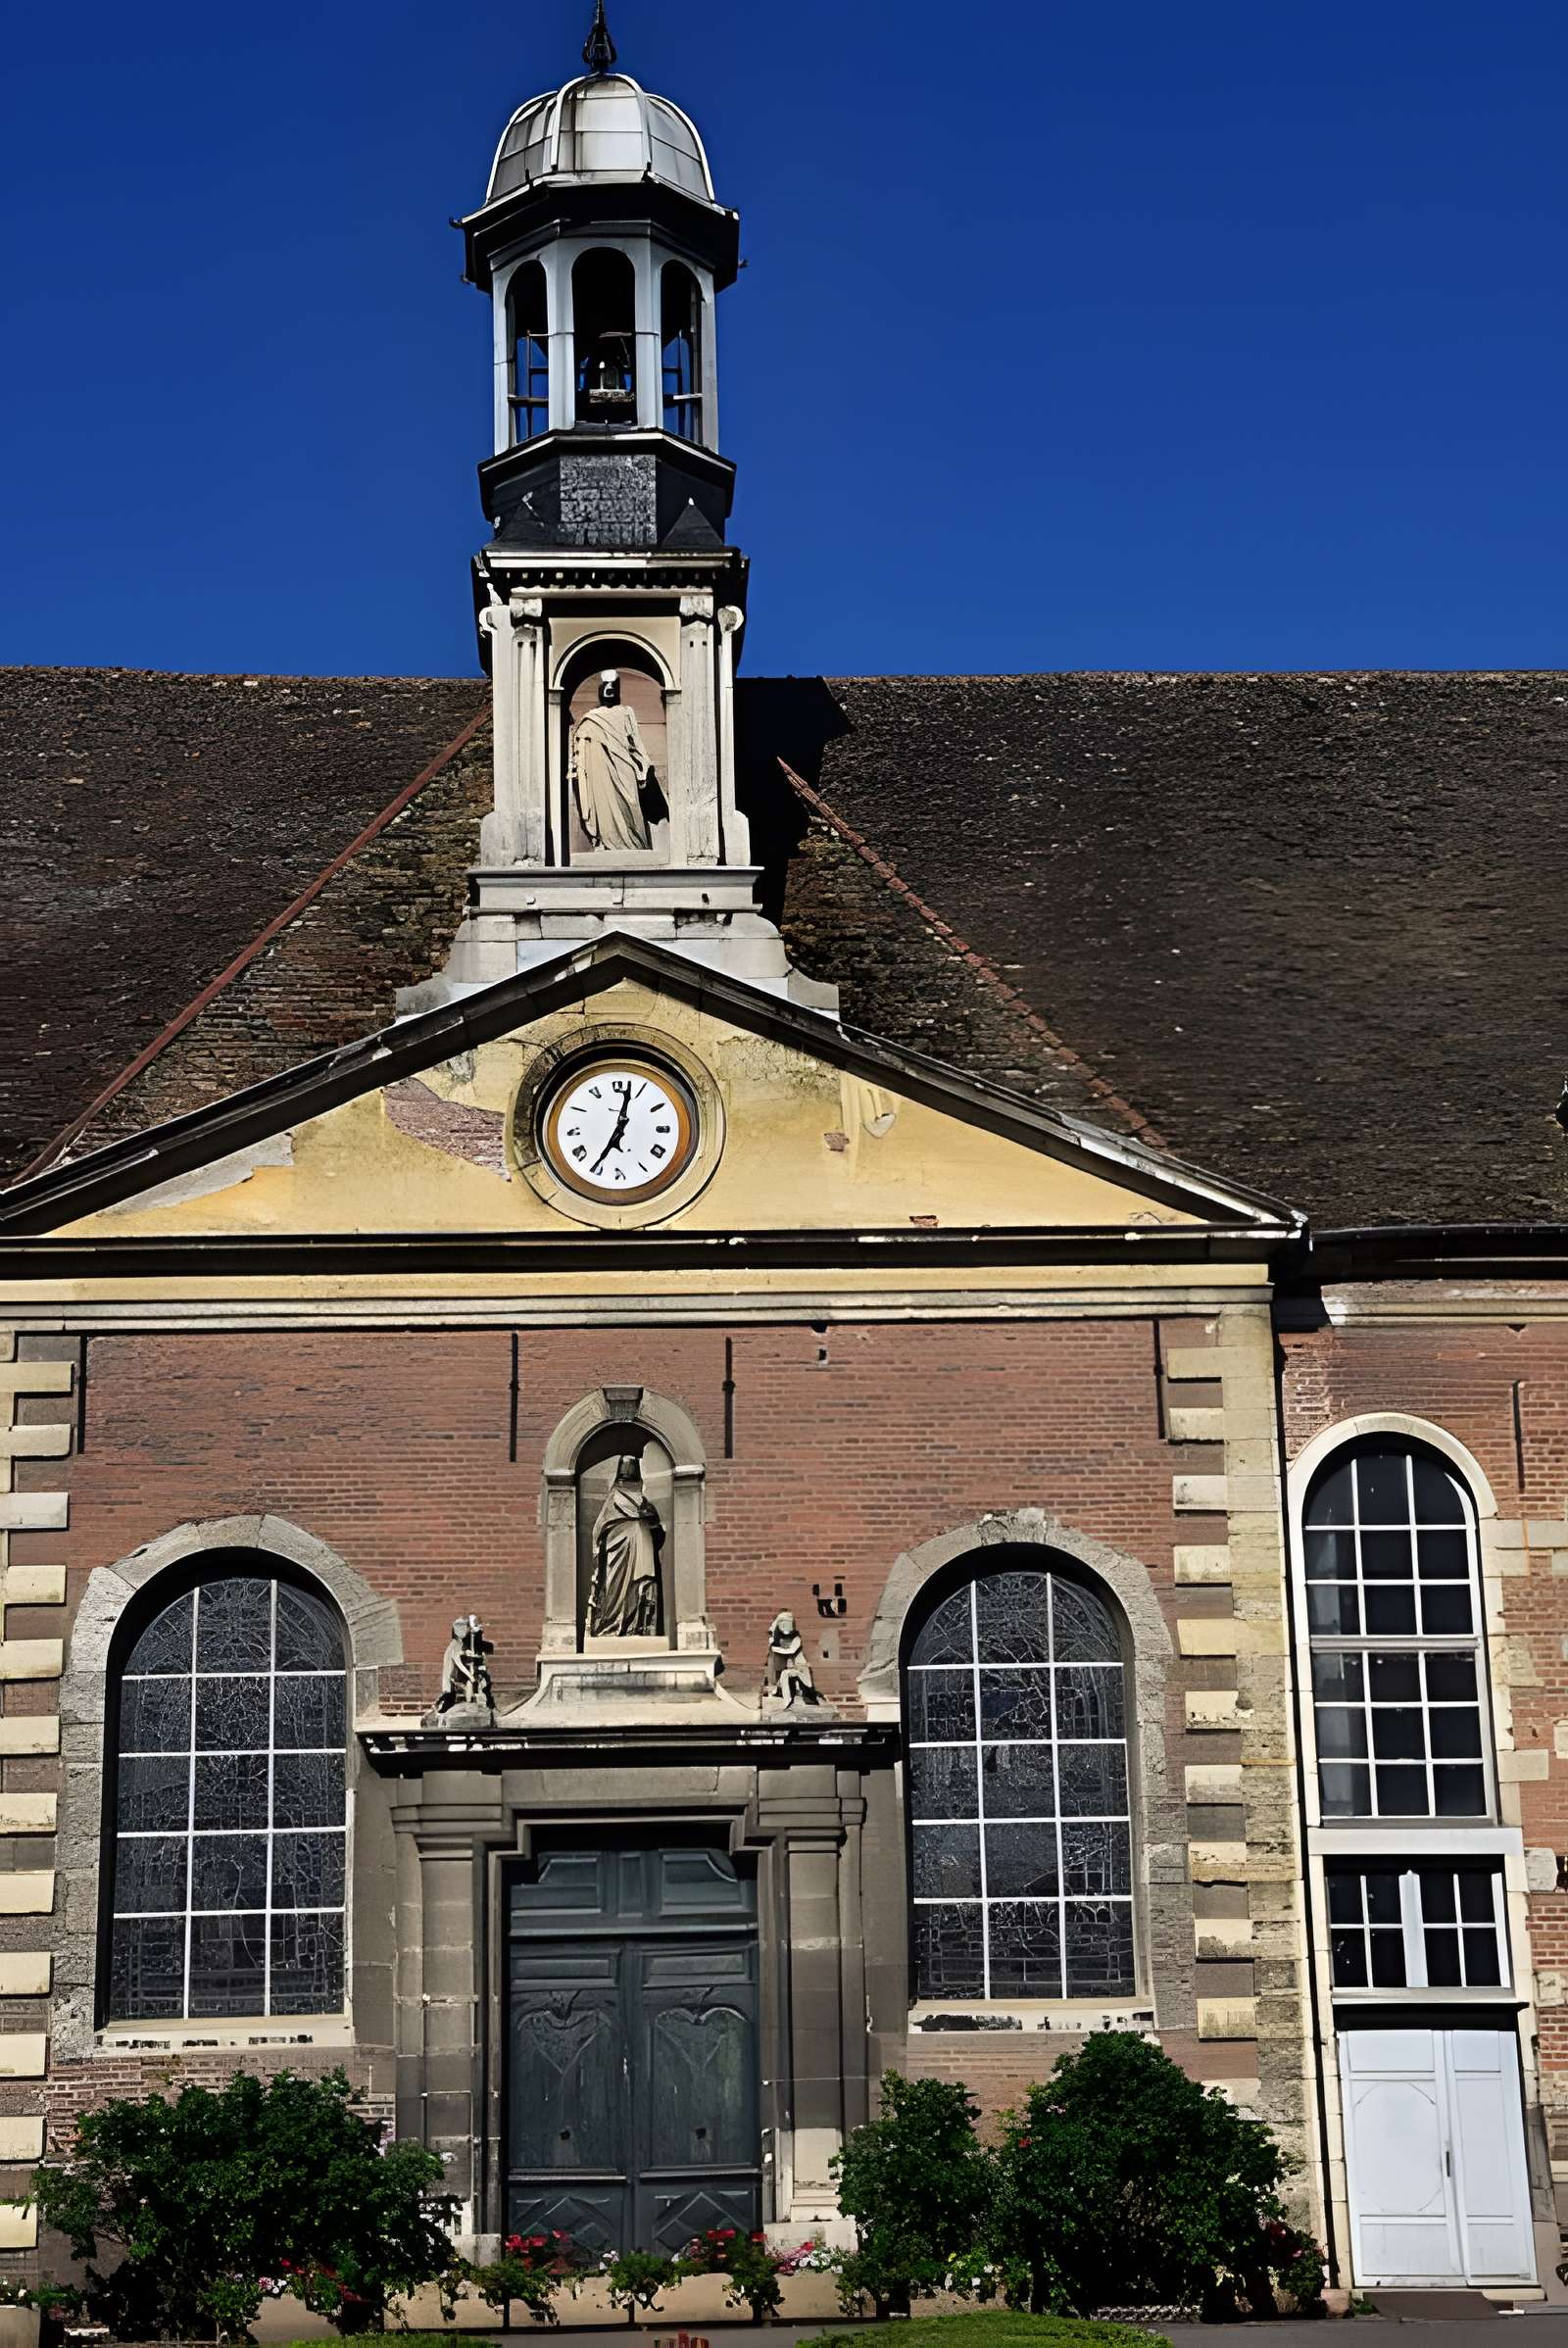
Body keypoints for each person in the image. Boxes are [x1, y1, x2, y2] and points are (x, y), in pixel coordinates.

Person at [569, 670, 655, 851]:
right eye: (605, 685)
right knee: (604, 807)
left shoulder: (626, 712)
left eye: (613, 685)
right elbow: (580, 746)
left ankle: (635, 845)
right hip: (600, 772)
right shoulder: (591, 718)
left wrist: (644, 765)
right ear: (599, 688)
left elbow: (636, 741)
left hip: (625, 768)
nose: (609, 689)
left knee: (631, 806)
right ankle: (606, 842)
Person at [588, 1455, 662, 1637]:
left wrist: (652, 1521)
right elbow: (599, 1529)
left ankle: (635, 1627)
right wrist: (597, 1549)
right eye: (625, 1475)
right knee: (614, 1587)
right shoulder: (612, 1499)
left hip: (641, 1550)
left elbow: (658, 1535)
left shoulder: (644, 1501)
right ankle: (611, 1626)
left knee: (639, 1588)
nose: (627, 1480)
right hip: (617, 1551)